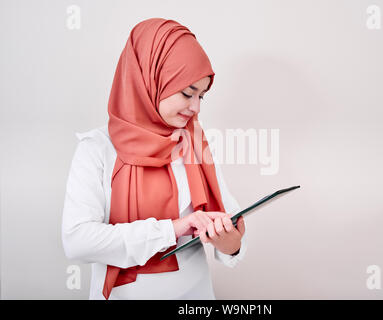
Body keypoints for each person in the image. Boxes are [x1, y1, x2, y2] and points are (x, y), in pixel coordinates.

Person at [61, 17, 247, 300]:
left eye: (202, 96)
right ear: (150, 80)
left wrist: (231, 243)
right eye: (187, 93)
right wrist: (172, 230)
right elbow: (77, 241)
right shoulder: (97, 148)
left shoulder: (194, 143)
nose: (195, 107)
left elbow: (227, 222)